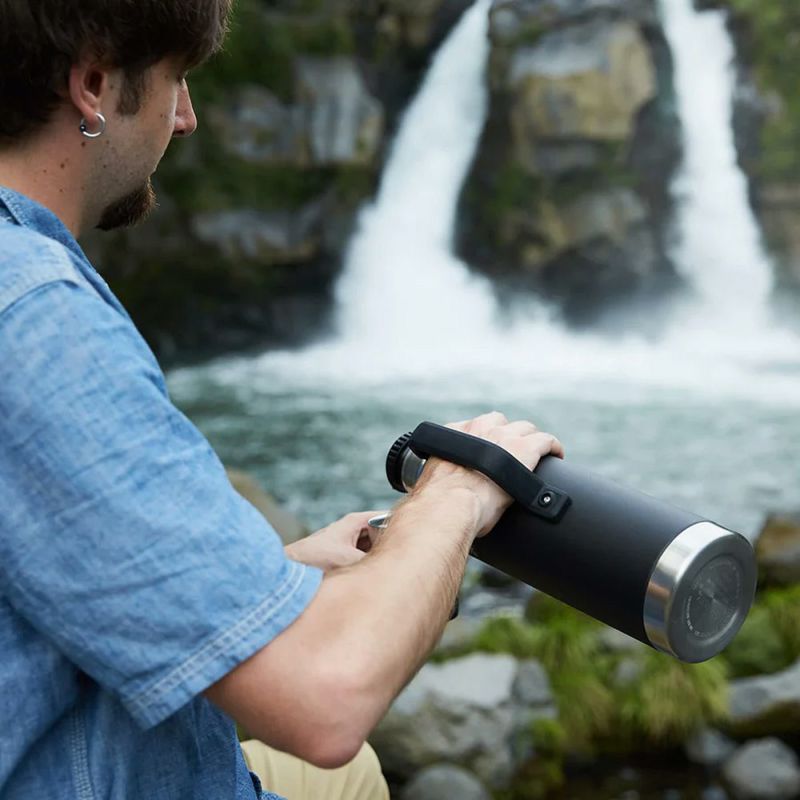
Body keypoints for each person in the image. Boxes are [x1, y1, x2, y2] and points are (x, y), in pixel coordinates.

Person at [0, 1, 565, 799]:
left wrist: (276, 574)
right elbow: (325, 701)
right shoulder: (37, 321)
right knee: (347, 770)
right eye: (176, 81)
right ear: (94, 84)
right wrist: (461, 490)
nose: (186, 118)